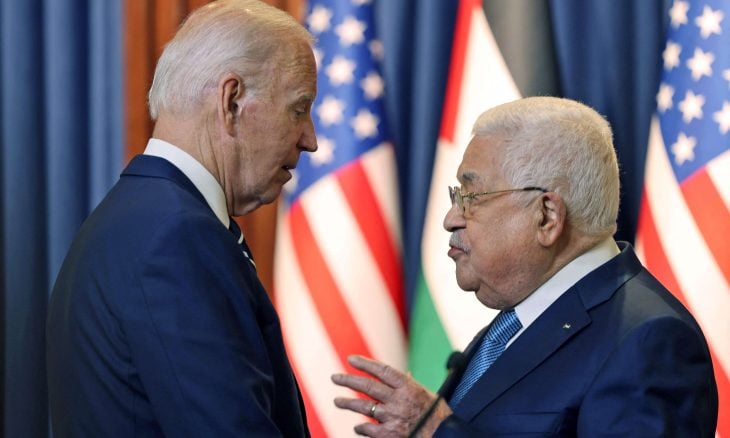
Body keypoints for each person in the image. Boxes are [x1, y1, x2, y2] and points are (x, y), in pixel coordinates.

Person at [332, 97, 718, 436]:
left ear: (547, 216)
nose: (451, 219)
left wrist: (438, 432)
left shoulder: (649, 341)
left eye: (471, 196)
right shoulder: (516, 321)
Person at [46, 1, 317, 436]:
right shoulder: (176, 238)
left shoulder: (136, 217)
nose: (311, 140)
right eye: (299, 109)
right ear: (231, 101)